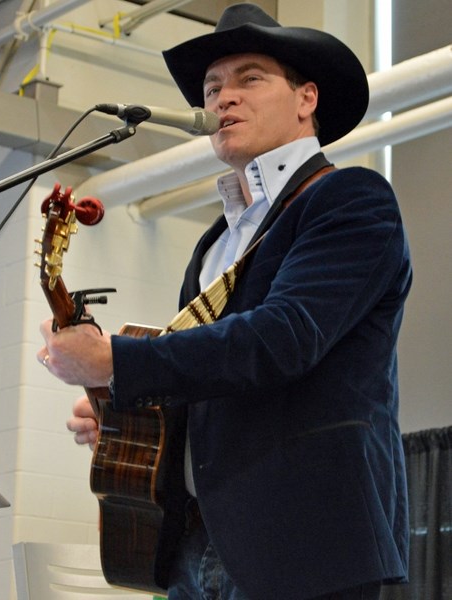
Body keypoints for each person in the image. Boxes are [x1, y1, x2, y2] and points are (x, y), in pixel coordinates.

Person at [37, 3, 411, 599]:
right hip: (198, 543)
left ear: (306, 98)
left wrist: (117, 362)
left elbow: (283, 338)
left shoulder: (350, 198)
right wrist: (122, 416)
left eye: (249, 78)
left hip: (305, 542)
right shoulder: (215, 242)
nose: (223, 98)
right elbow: (216, 382)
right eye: (213, 87)